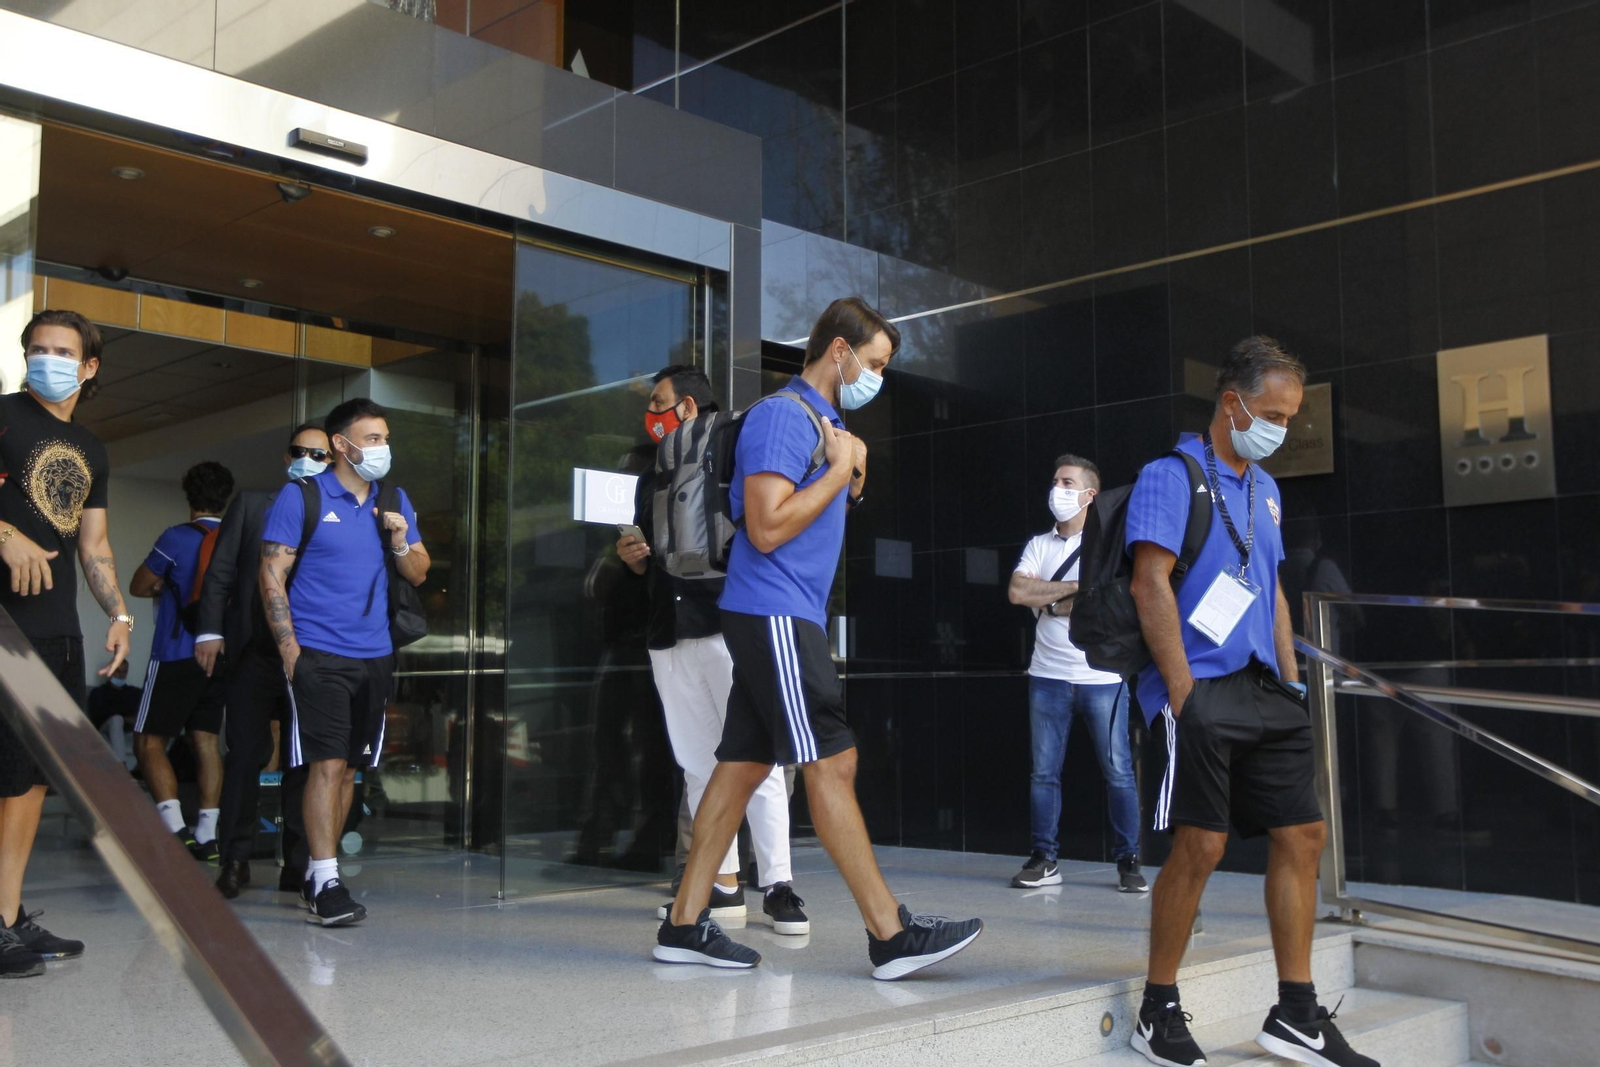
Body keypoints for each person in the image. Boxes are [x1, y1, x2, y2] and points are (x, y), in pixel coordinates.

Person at [654, 296, 983, 979]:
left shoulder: (828, 423)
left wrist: (849, 469)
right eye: (874, 363)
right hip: (773, 612)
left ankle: (683, 924)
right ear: (838, 351)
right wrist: (840, 469)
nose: (878, 377)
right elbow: (767, 525)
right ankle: (889, 933)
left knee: (741, 765)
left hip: (783, 613)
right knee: (832, 762)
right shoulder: (782, 416)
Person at [1125, 337, 1377, 1067]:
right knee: (1198, 846)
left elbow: (1270, 594)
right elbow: (1151, 583)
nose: (1281, 428)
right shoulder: (1170, 475)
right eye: (1271, 412)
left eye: (1291, 416)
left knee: (1303, 835)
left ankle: (1296, 1011)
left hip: (1268, 688)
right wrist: (1181, 690)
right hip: (1200, 686)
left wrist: (1293, 679)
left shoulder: (1266, 487)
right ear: (1231, 402)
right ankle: (1158, 1005)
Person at [620, 365, 804, 932]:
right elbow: (652, 557)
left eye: (659, 401)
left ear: (689, 407)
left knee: (756, 758)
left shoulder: (731, 459)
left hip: (726, 625)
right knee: (698, 765)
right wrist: (635, 560)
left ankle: (779, 885)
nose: (650, 412)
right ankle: (724, 886)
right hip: (667, 633)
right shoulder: (647, 476)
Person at [259, 398, 429, 926]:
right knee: (326, 764)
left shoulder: (394, 499)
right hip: (318, 654)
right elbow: (271, 574)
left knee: (351, 769)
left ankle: (319, 872)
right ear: (341, 444)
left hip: (375, 655)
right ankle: (327, 875)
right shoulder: (301, 497)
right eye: (372, 439)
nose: (382, 448)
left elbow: (420, 572)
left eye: (384, 438)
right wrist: (290, 648)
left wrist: (400, 539)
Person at [0, 308, 132, 977]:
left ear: (88, 368)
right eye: (37, 348)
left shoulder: (92, 449)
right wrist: (4, 532)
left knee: (27, 781)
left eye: (62, 350)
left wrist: (118, 612)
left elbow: (96, 545)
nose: (46, 358)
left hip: (56, 630)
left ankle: (8, 913)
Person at [196, 424, 329, 900]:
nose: (308, 459)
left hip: (311, 657)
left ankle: (297, 866)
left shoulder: (333, 512)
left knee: (303, 762)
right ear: (286, 456)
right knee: (243, 758)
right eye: (300, 451)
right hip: (253, 652)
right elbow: (221, 572)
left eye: (319, 453)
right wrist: (210, 630)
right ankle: (233, 860)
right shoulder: (254, 504)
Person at [1007, 454, 1145, 894]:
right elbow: (1016, 591)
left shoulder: (1109, 548)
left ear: (1090, 495)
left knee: (1119, 772)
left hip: (1103, 678)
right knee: (1043, 773)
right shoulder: (1038, 544)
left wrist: (1045, 598)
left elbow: (1111, 601)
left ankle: (1129, 862)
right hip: (1046, 675)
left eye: (1067, 482)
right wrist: (1077, 591)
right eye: (1055, 480)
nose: (1057, 489)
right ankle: (1044, 858)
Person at [128, 461, 235, 860]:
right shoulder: (234, 539)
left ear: (188, 495)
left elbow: (138, 585)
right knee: (206, 741)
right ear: (225, 497)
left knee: (148, 740)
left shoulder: (176, 538)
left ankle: (174, 830)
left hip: (176, 653)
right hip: (221, 656)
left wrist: (162, 582)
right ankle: (207, 834)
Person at [86, 658, 141, 770]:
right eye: (117, 671)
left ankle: (125, 771)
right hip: (104, 728)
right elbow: (97, 716)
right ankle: (122, 768)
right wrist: (124, 718)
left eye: (124, 671)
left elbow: (139, 715)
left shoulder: (134, 693)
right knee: (116, 719)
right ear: (110, 671)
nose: (120, 675)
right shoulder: (98, 692)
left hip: (126, 731)